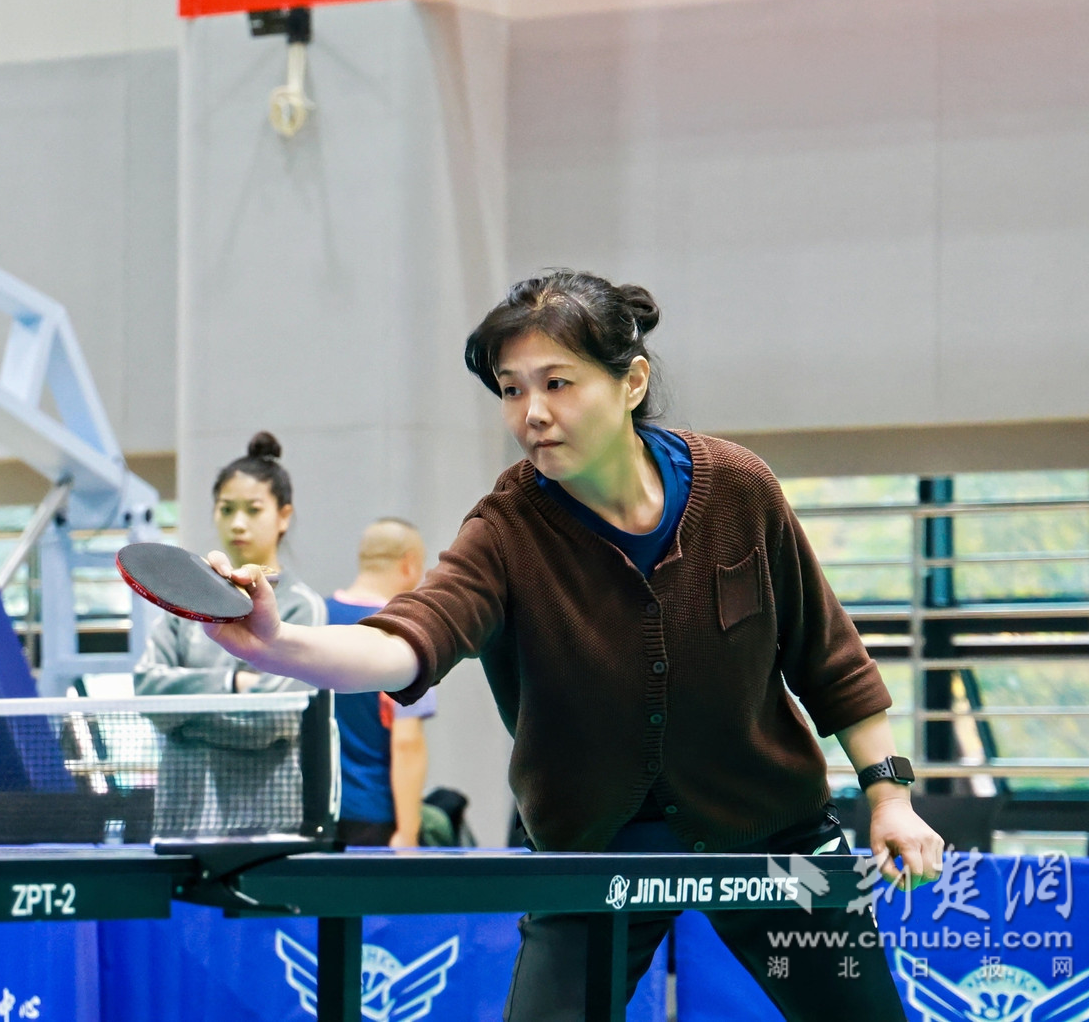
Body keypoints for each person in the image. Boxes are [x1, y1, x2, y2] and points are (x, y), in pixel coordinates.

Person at [194, 271, 943, 1021]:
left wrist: (890, 798)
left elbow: (828, 657)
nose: (533, 413)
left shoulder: (739, 489)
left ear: (631, 382)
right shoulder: (505, 527)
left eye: (557, 383)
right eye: (511, 389)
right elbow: (413, 637)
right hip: (594, 846)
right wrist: (276, 643)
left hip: (770, 834)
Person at [134, 432, 327, 837]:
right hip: (180, 818)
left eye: (253, 510)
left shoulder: (301, 607)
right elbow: (147, 690)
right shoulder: (182, 602)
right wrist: (232, 685)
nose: (238, 523)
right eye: (226, 509)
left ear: (283, 516)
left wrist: (182, 718)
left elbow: (271, 720)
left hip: (265, 823)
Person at [326, 518, 436, 847]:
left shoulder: (316, 617)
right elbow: (406, 742)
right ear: (409, 564)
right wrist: (408, 832)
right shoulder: (408, 632)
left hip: (316, 810)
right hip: (375, 818)